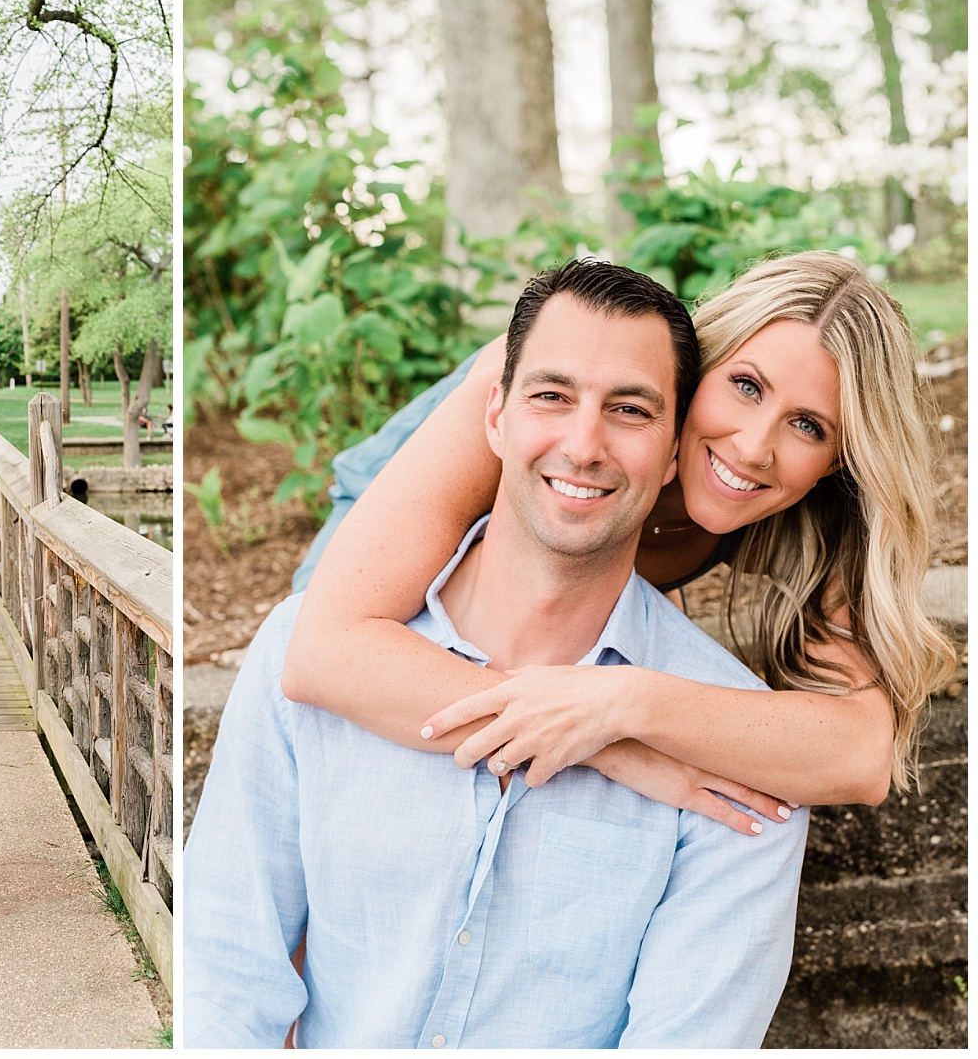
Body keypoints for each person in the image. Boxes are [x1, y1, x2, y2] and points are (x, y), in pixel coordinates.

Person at [185, 261, 811, 1047]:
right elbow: (224, 976)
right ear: (494, 415)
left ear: (677, 450)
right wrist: (611, 746)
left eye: (630, 409)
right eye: (551, 396)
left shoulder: (735, 764)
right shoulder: (306, 651)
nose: (583, 445)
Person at [281, 251, 956, 824]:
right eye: (745, 386)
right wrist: (609, 746)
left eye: (808, 426)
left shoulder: (814, 514)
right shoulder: (552, 402)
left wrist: (624, 701)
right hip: (386, 513)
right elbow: (323, 651)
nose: (754, 448)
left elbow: (860, 758)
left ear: (840, 458)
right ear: (695, 372)